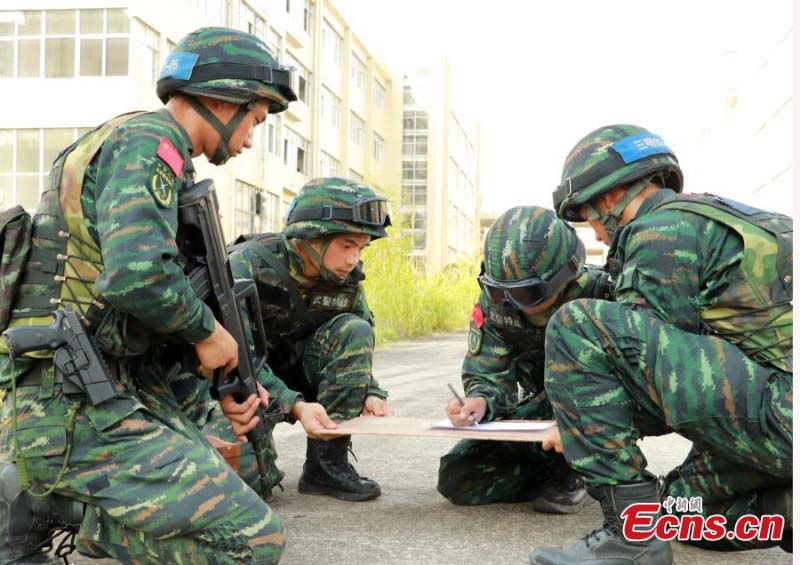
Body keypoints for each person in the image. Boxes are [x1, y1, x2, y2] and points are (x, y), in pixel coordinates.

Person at [0, 27, 297, 564]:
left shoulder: (142, 145)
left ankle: (41, 498)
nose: (252, 139)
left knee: (247, 473)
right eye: (255, 119)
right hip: (69, 403)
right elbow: (137, 276)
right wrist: (208, 334)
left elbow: (130, 314)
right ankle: (42, 506)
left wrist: (213, 382)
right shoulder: (149, 143)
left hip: (90, 384)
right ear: (220, 98)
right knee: (253, 542)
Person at [530, 124, 792, 564]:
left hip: (780, 417)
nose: (595, 233)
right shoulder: (732, 218)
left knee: (576, 327)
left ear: (609, 197)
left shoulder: (660, 231)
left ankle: (629, 541)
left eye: (591, 217)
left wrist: (579, 426)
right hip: (779, 418)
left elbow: (637, 378)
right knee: (681, 509)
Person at [225, 177, 394, 502]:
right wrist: (294, 405)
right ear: (310, 237)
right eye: (346, 245)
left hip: (299, 371)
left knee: (354, 330)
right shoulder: (245, 266)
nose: (353, 259)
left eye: (361, 248)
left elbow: (355, 339)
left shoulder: (345, 280)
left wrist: (369, 392)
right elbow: (236, 361)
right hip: (243, 388)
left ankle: (325, 468)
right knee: (252, 487)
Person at [437, 206, 612, 512]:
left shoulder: (604, 296)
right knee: (461, 478)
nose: (510, 304)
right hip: (542, 411)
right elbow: (488, 374)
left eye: (526, 294)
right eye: (497, 292)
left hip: (597, 415)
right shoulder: (498, 304)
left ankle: (587, 468)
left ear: (563, 277)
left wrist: (579, 428)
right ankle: (552, 463)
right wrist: (479, 401)